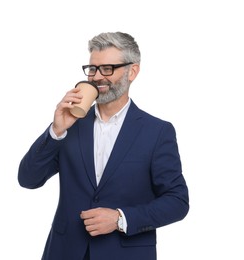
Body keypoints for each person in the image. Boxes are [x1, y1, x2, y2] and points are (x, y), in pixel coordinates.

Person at [18, 31, 189, 260]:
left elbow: (177, 201)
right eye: (92, 69)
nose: (97, 77)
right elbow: (28, 179)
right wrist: (56, 131)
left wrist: (120, 219)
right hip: (65, 253)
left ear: (132, 71)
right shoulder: (71, 125)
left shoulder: (157, 132)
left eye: (107, 69)